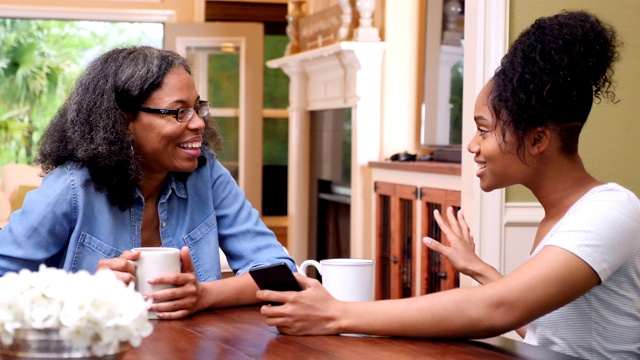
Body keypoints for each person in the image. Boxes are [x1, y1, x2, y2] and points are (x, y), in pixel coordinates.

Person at [257, 10, 640, 359]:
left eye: (484, 130)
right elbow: (543, 329)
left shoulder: (610, 212)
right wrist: (480, 270)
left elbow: (501, 310)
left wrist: (337, 315)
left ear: (538, 140)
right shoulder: (565, 217)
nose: (472, 146)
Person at [0, 45, 296, 319]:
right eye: (178, 112)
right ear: (123, 120)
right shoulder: (72, 187)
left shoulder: (205, 173)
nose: (198, 123)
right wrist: (84, 290)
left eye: (197, 108)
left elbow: (279, 271)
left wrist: (203, 295)